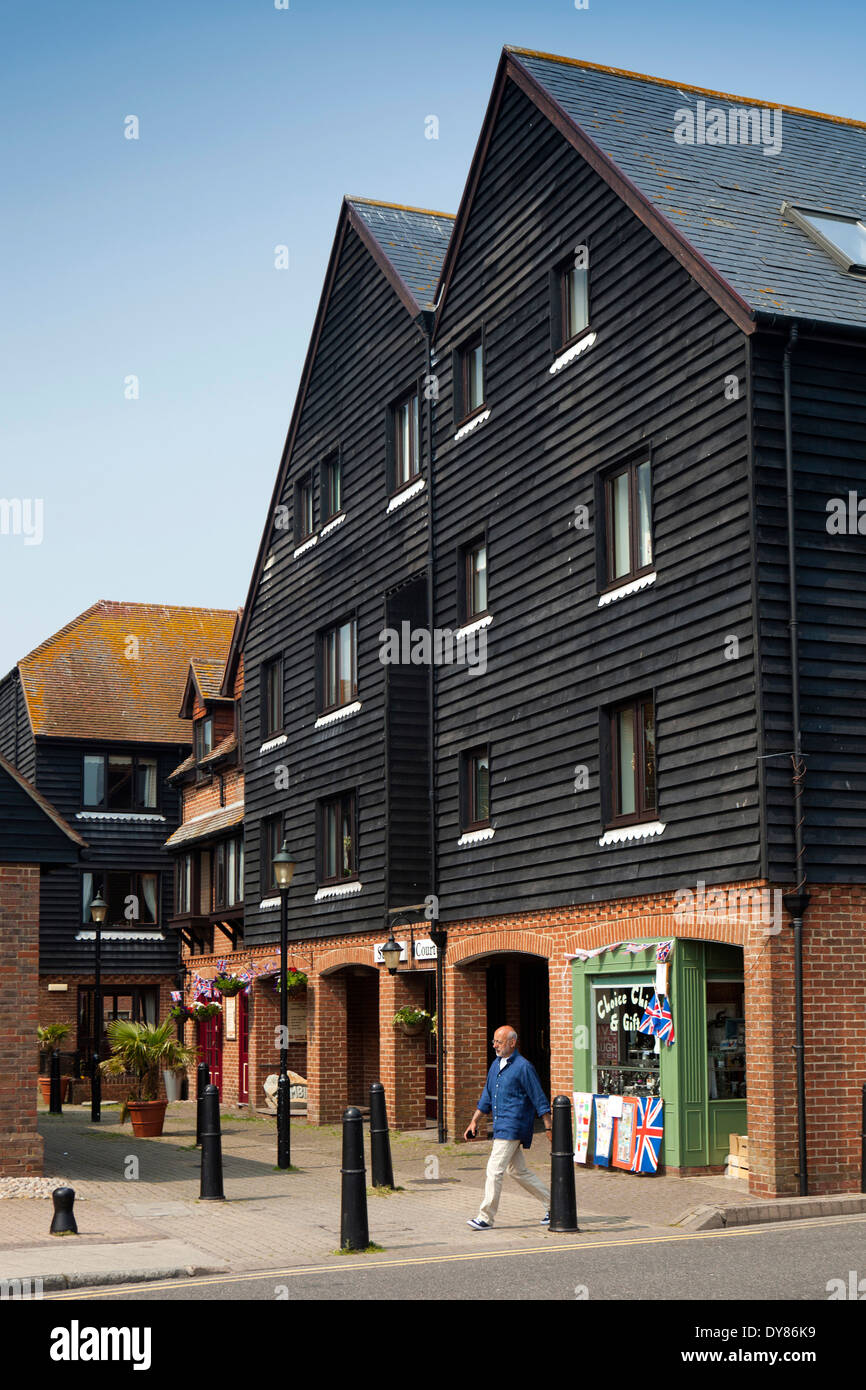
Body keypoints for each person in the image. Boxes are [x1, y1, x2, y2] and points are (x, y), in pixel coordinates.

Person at [463, 1024, 552, 1229]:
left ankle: (485, 1217)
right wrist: (474, 1120)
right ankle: (554, 1205)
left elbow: (538, 1097)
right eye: (493, 1041)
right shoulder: (496, 1064)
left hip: (513, 1125)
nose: (495, 1045)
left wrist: (548, 1126)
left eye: (499, 1042)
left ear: (512, 1042)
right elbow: (486, 1096)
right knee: (517, 1170)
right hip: (501, 1125)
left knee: (494, 1170)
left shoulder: (523, 1067)